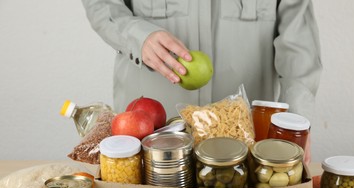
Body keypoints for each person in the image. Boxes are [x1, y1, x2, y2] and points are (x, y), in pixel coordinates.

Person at [81, 0, 322, 162]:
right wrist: (136, 36)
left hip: (248, 145)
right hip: (147, 141)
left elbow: (299, 45)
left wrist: (296, 124)